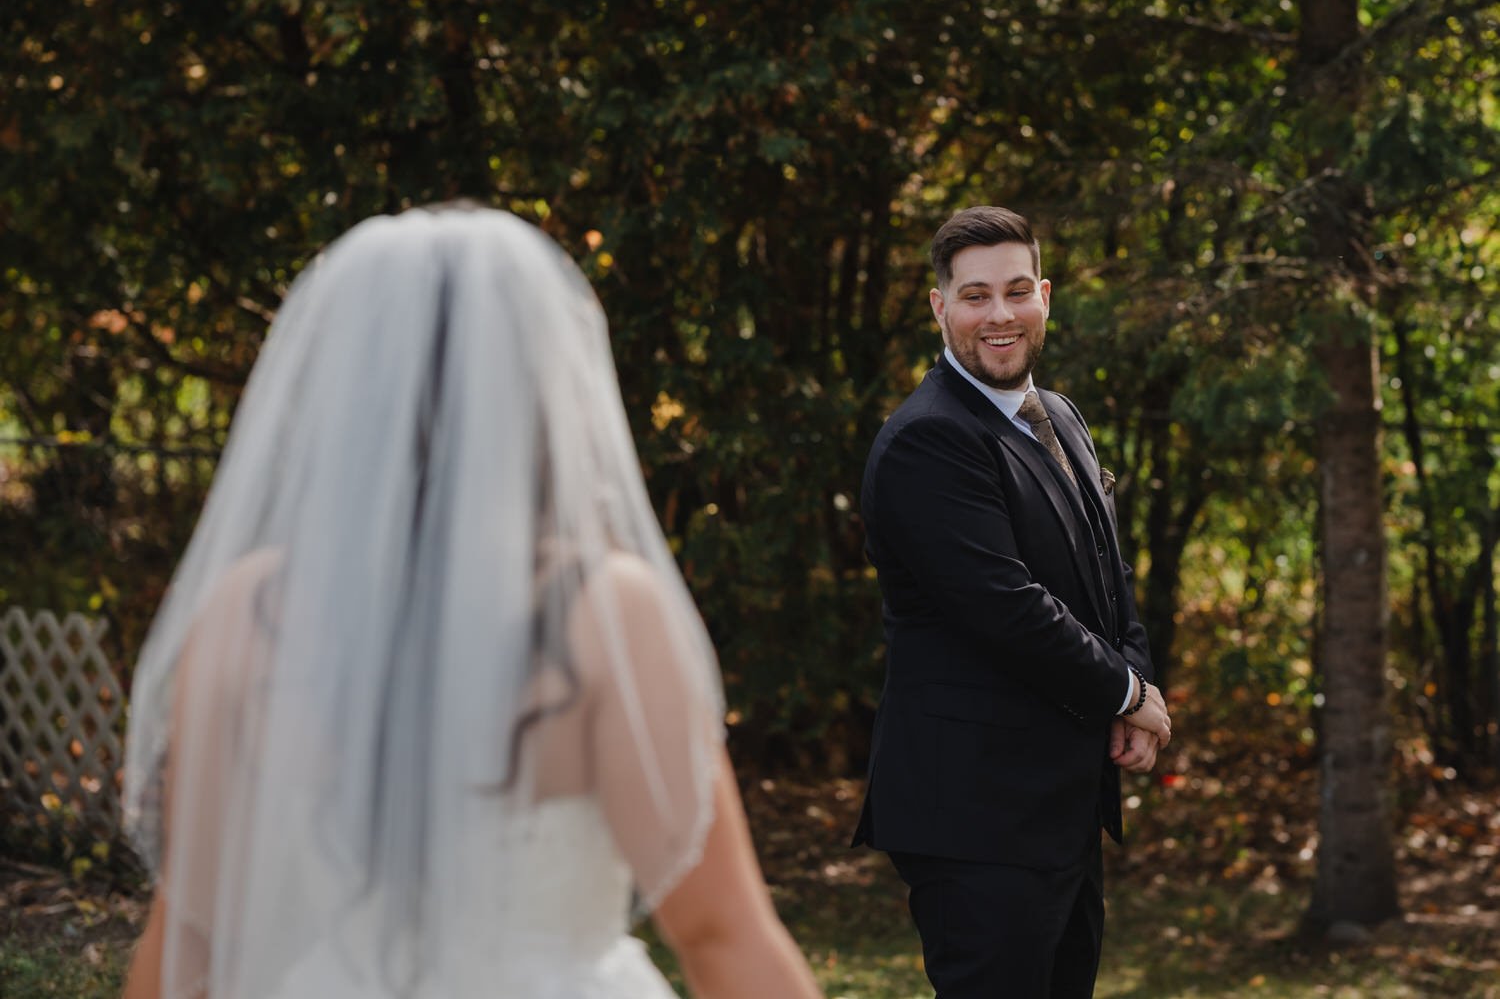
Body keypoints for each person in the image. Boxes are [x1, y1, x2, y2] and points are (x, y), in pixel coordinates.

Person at [120, 204, 822, 999]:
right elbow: (719, 935)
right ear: (541, 389)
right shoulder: (604, 618)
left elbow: (191, 937)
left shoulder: (244, 616)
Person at [850, 206, 1173, 999]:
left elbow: (1105, 574)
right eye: (975, 296)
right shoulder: (928, 440)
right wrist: (1128, 694)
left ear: (1046, 297)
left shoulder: (1058, 415)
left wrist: (1130, 683)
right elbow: (1007, 607)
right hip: (974, 814)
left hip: (1060, 804)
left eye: (1017, 291)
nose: (1000, 315)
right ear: (940, 306)